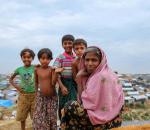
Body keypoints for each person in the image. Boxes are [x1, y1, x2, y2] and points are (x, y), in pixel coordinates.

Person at [61, 46, 124, 130]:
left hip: (104, 121)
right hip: (113, 119)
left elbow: (84, 102)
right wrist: (80, 78)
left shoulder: (100, 76)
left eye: (94, 60)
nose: (89, 63)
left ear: (101, 61)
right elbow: (82, 100)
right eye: (87, 60)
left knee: (69, 106)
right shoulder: (107, 73)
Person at [9, 48, 36, 130]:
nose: (26, 59)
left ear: (32, 58)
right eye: (24, 57)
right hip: (23, 96)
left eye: (29, 57)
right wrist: (17, 88)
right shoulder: (19, 69)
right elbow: (10, 79)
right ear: (21, 58)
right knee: (22, 115)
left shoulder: (35, 68)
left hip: (34, 95)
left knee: (35, 116)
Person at [32, 48, 58, 130]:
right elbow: (36, 82)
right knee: (39, 115)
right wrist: (36, 93)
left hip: (52, 97)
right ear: (39, 58)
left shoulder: (51, 69)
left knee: (51, 115)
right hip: (41, 97)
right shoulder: (37, 69)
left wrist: (56, 73)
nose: (45, 60)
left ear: (50, 59)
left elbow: (53, 83)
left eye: (48, 58)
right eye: (43, 58)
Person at [53, 34, 77, 119]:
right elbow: (55, 71)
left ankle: (73, 123)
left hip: (74, 84)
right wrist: (62, 86)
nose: (67, 45)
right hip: (64, 83)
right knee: (63, 104)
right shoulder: (60, 57)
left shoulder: (76, 57)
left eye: (70, 43)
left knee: (75, 104)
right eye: (65, 43)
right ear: (62, 45)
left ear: (74, 44)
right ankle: (63, 124)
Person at [71, 38, 87, 103]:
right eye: (77, 49)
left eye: (82, 48)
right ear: (74, 50)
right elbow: (75, 77)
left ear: (86, 49)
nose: (79, 50)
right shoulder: (74, 62)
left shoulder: (89, 60)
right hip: (81, 87)